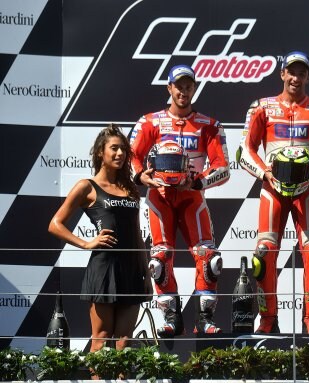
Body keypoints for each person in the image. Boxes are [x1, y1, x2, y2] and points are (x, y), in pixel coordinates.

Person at [238, 51, 309, 334]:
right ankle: (268, 320)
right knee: (264, 255)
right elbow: (245, 148)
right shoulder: (262, 106)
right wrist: (264, 173)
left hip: (307, 190)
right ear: (282, 73)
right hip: (273, 188)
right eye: (291, 72)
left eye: (301, 73)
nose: (296, 78)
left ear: (308, 76)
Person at [130, 64, 230, 336]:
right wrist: (141, 177)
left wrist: (198, 181)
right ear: (169, 88)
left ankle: (204, 318)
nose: (183, 91)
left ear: (194, 88)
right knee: (160, 259)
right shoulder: (150, 122)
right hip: (159, 197)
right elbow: (131, 155)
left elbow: (223, 167)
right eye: (179, 86)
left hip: (192, 197)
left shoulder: (209, 125)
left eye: (188, 86)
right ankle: (171, 317)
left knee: (208, 257)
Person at [48, 124, 152, 355]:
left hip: (132, 269)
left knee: (125, 340)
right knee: (102, 338)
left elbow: (137, 233)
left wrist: (145, 272)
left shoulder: (130, 189)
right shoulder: (87, 186)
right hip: (104, 268)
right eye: (114, 148)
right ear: (100, 153)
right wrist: (86, 243)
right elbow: (55, 224)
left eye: (124, 149)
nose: (120, 154)